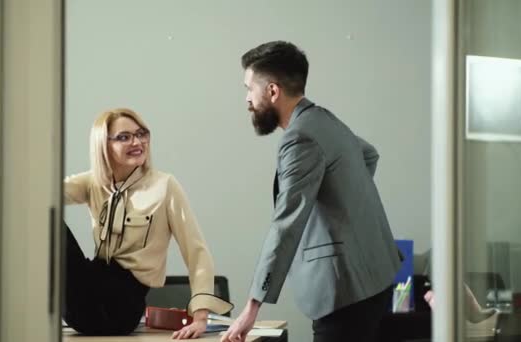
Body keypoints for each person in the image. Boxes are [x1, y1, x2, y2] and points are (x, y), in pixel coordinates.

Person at [221, 41, 402, 342]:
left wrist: (252, 307)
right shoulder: (324, 120)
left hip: (344, 294)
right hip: (377, 280)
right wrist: (343, 206)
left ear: (273, 92)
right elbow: (368, 154)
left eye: (249, 89)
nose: (247, 100)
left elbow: (286, 224)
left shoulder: (299, 139)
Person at [63, 108, 231, 338]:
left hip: (120, 307)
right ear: (104, 144)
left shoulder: (164, 186)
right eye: (124, 137)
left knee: (49, 226)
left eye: (142, 134)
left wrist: (201, 318)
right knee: (43, 214)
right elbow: (46, 190)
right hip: (84, 296)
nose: (137, 142)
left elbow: (197, 252)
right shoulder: (94, 182)